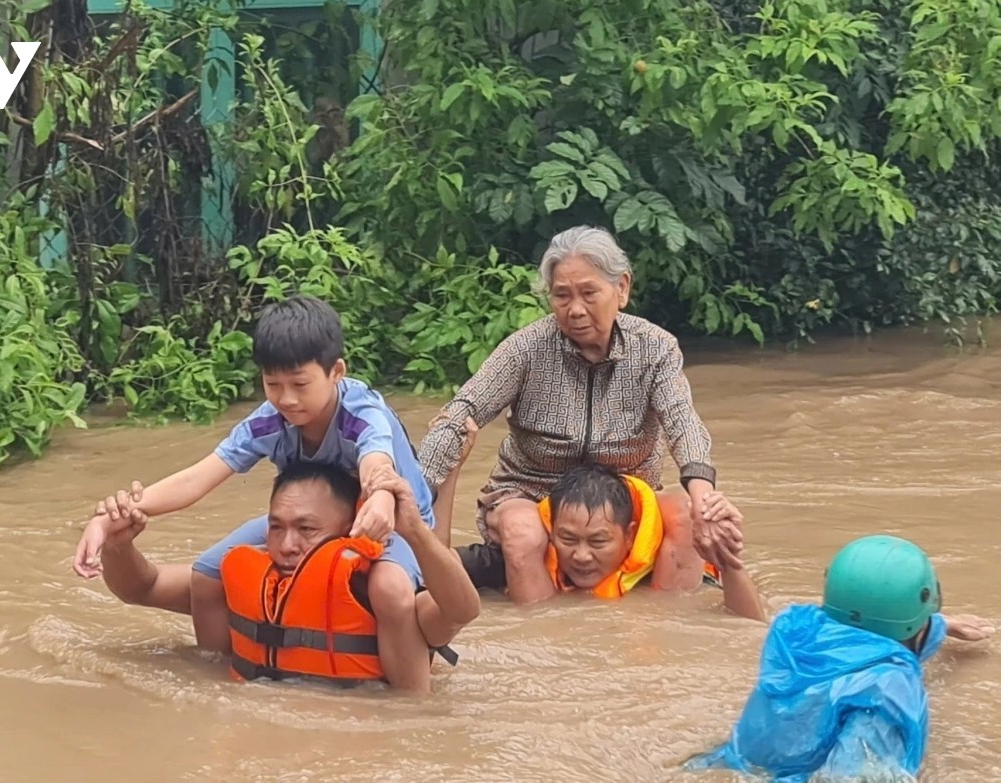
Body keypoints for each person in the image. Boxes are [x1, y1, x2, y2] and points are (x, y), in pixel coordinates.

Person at [72, 294, 442, 691]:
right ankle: (219, 680)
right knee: (208, 574)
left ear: (336, 372)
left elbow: (377, 462)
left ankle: (413, 702)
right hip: (310, 520)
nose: (286, 399)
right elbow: (198, 478)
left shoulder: (362, 412)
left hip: (390, 520)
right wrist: (112, 516)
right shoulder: (270, 421)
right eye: (273, 385)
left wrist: (384, 497)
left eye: (300, 384)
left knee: (389, 588)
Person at [417, 225, 742, 605]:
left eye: (589, 293)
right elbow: (461, 413)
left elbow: (682, 421)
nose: (574, 310)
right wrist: (414, 493)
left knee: (686, 515)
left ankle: (661, 630)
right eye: (561, 296)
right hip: (530, 495)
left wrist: (704, 496)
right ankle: (544, 640)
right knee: (522, 532)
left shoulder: (655, 348)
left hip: (619, 505)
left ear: (621, 289)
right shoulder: (526, 349)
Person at [97, 461, 480, 688]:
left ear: (349, 530)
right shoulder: (247, 583)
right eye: (276, 527)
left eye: (307, 530)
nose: (287, 544)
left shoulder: (376, 594)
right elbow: (142, 588)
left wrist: (413, 531)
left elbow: (460, 610)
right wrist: (118, 546)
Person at [686, 535, 995, 780]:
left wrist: (941, 626)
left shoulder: (796, 631)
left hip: (721, 765)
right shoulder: (887, 692)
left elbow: (868, 643)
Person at [451, 458, 764, 621]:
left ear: (629, 535)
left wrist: (729, 561)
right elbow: (430, 570)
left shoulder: (672, 561)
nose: (582, 556)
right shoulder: (522, 557)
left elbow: (745, 624)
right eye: (568, 539)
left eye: (598, 542)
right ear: (551, 531)